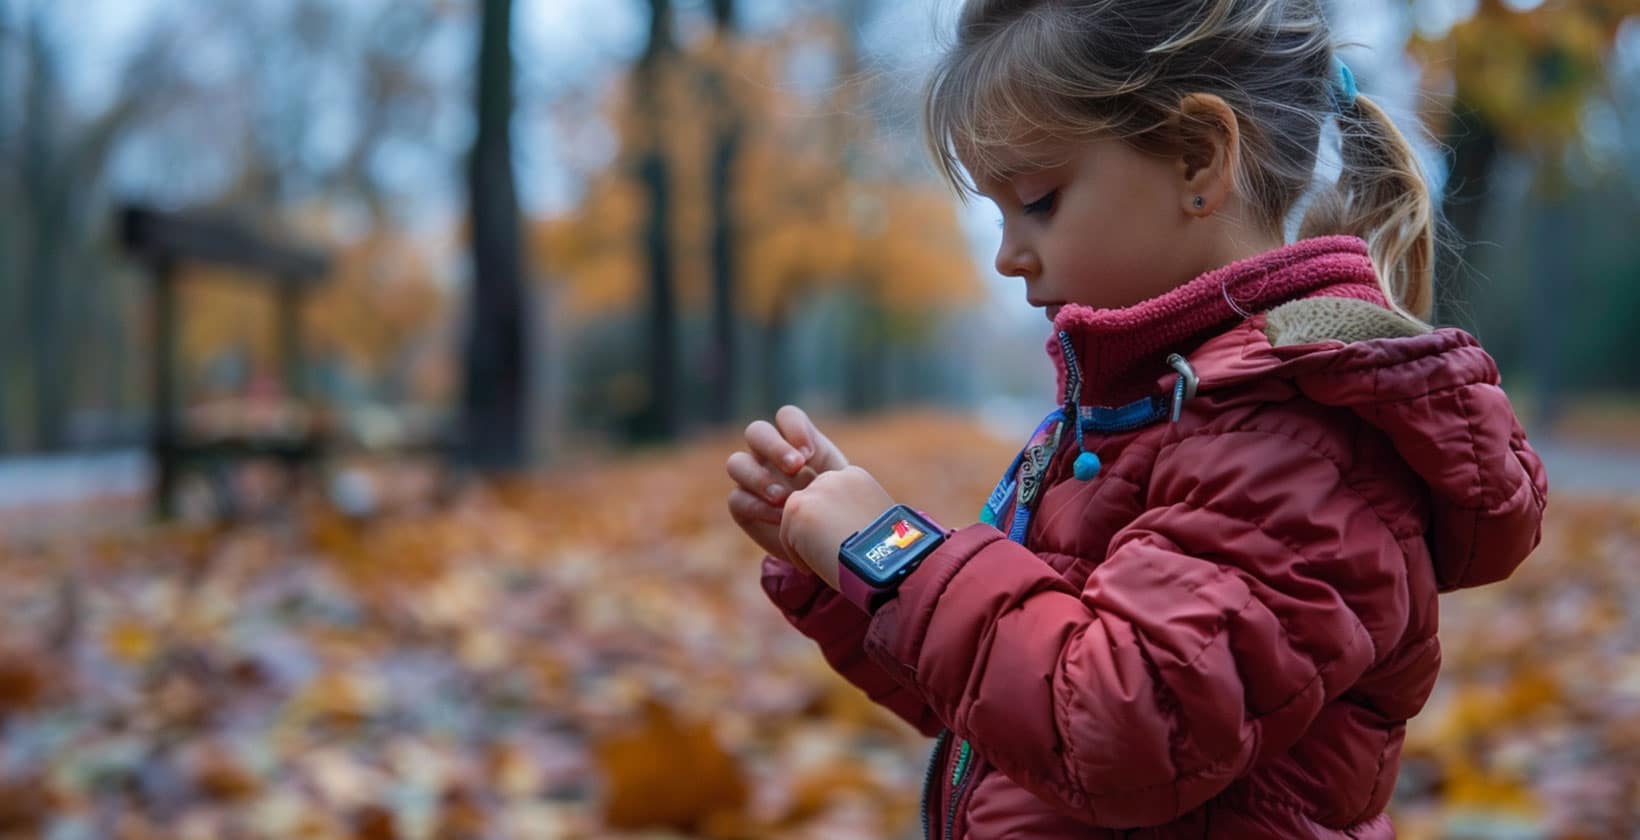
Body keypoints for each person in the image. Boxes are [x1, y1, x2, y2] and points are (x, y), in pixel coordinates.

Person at [724, 0, 1548, 836]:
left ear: (1199, 159)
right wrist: (843, 569)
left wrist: (892, 552)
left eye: (1038, 200)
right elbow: (1000, 701)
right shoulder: (1142, 411)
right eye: (999, 213)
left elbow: (1118, 728)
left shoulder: (1296, 436)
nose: (1009, 253)